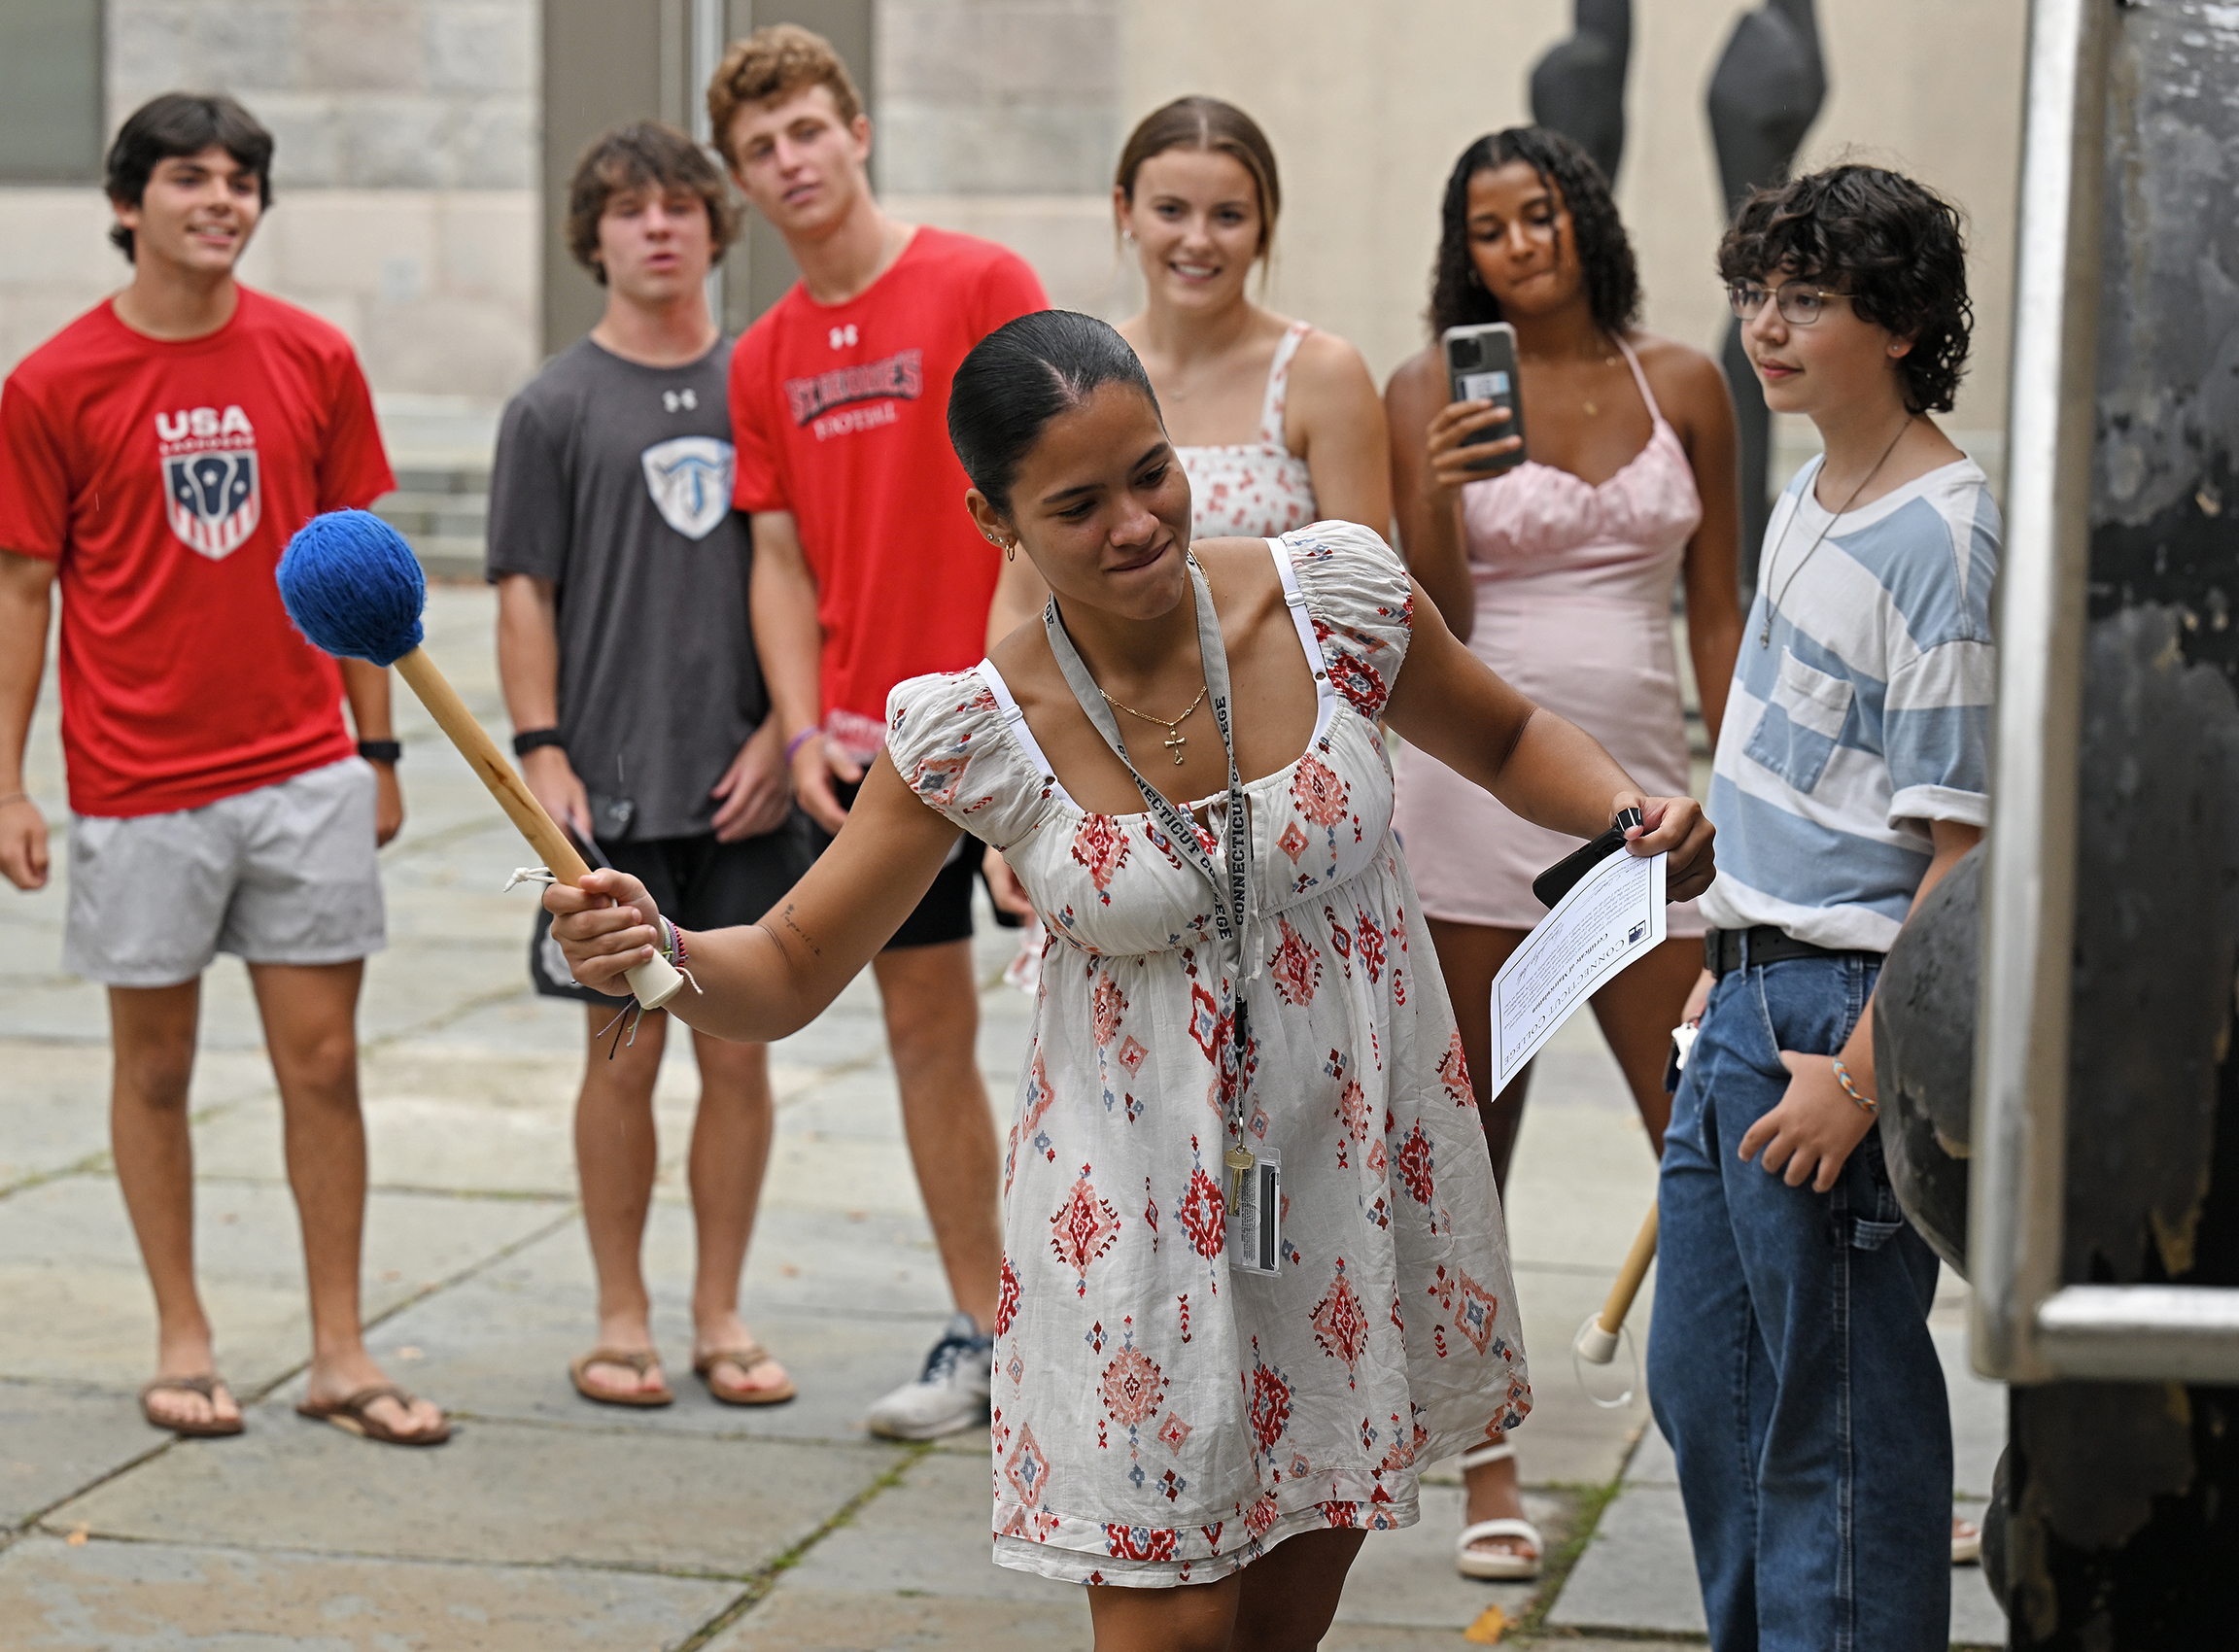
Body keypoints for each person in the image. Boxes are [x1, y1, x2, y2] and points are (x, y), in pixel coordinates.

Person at [548, 307, 1717, 1649]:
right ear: (997, 525)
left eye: (1150, 472)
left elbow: (1506, 736)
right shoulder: (976, 730)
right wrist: (666, 956)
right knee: (1170, 1633)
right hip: (1132, 1215)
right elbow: (796, 963)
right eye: (1078, 505)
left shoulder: (1332, 599)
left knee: (1284, 1622)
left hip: (1339, 1173)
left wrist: (1627, 814)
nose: (1136, 524)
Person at [0, 93, 446, 1446]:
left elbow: (365, 578)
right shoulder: (50, 383)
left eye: (242, 180)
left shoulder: (313, 354)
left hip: (303, 766)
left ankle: (340, 1351)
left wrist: (377, 749)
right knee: (153, 1072)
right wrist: (8, 782)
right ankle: (183, 1336)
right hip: (135, 785)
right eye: (190, 178)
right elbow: (26, 587)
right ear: (127, 203)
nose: (222, 200)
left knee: (324, 1064)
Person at [1384, 124, 1743, 1580]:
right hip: (1472, 804)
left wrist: (1748, 774)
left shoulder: (1690, 384)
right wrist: (1440, 487)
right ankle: (1484, 1465)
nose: (1520, 245)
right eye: (1489, 227)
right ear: (1460, 250)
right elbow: (1431, 620)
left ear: (1585, 219)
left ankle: (1777, 1422)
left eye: (1541, 216)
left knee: (1714, 1118)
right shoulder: (1426, 390)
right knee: (1474, 1145)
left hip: (1649, 807)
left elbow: (1715, 607)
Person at [1647, 165, 1994, 1651]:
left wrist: (1865, 1077)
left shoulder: (1948, 540)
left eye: (1807, 300)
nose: (1765, 328)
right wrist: (1719, 942)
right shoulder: (1807, 483)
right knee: (1708, 1396)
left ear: (1905, 324)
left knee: (1836, 1432)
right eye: (1756, 293)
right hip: (1741, 992)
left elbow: (1964, 859)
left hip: (1841, 1023)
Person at [710, 23, 1051, 1439]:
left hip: (1029, 727)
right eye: (759, 150)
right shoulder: (767, 354)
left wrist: (1029, 707)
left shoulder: (979, 282)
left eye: (806, 130)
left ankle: (1119, 1318)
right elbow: (777, 561)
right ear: (742, 183)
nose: (790, 162)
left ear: (856, 131)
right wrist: (799, 733)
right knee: (926, 1034)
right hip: (875, 748)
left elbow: (1050, 494)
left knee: (1098, 1029)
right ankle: (989, 1333)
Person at [489, 121, 812, 1410]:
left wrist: (785, 732)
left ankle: (718, 1313)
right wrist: (541, 752)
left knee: (739, 1053)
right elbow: (525, 596)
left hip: (744, 786)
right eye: (631, 210)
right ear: (595, 237)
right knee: (620, 1052)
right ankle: (618, 1317)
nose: (660, 227)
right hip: (608, 794)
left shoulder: (761, 384)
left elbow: (804, 573)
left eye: (683, 205)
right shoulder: (550, 405)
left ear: (716, 229)